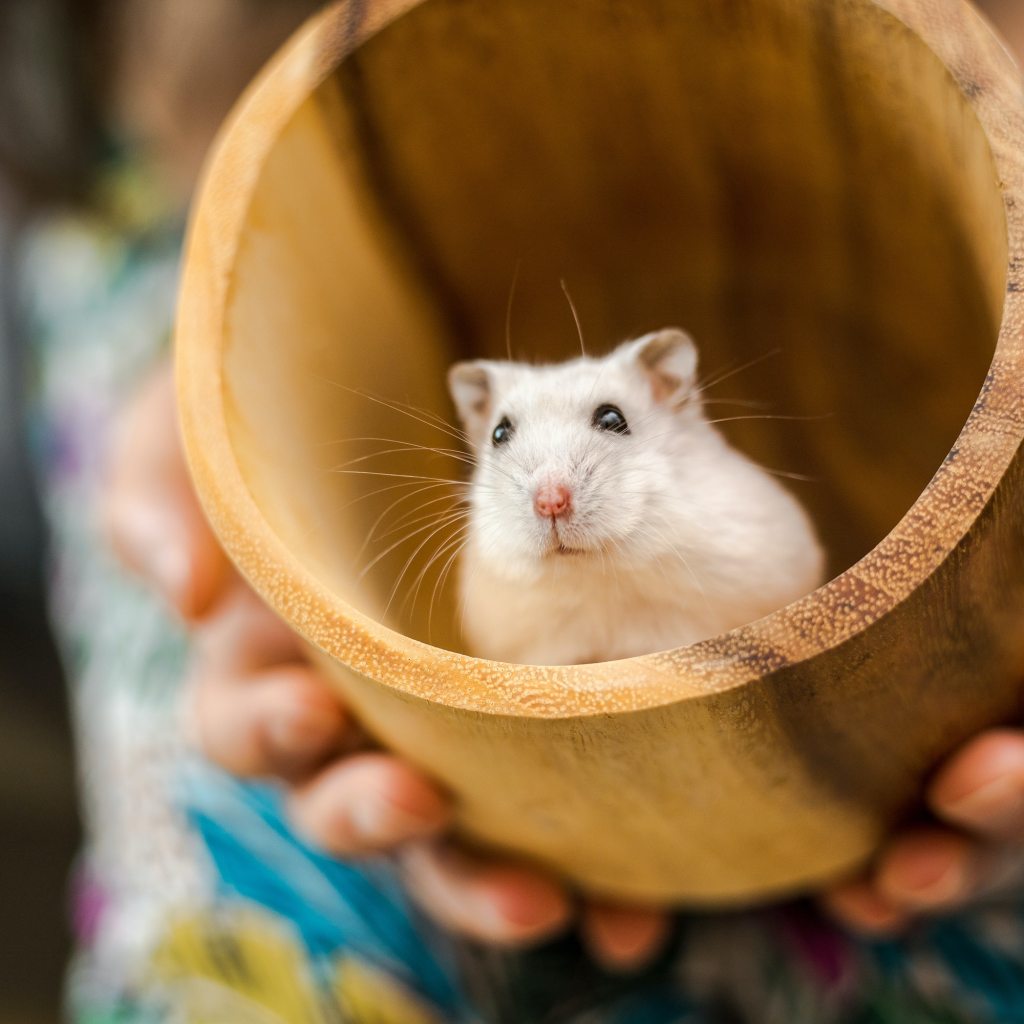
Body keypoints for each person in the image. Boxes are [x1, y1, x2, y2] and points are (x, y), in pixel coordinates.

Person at [13, 0, 1024, 1019]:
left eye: (607, 426)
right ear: (476, 425)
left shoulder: (744, 501)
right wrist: (238, 379)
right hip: (197, 131)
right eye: (504, 441)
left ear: (668, 393)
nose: (549, 491)